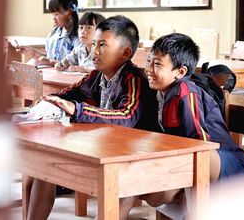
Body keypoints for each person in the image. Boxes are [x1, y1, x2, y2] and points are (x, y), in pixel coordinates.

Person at [25, 15, 160, 220]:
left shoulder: (134, 80)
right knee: (45, 166)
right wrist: (50, 100)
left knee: (120, 186)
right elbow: (69, 94)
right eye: (94, 44)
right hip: (106, 150)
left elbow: (126, 116)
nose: (94, 51)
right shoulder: (97, 76)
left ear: (125, 53)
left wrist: (78, 110)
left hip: (134, 158)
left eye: (102, 45)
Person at [120, 33, 244, 219]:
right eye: (149, 61)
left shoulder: (185, 92)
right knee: (149, 191)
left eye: (157, 64)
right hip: (188, 161)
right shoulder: (158, 93)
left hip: (225, 164)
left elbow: (201, 146)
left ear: (180, 72)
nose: (148, 69)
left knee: (195, 158)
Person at [19, 0, 80, 66]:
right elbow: (49, 59)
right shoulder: (54, 33)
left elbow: (75, 64)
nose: (53, 19)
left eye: (56, 14)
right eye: (52, 15)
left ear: (69, 13)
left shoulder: (79, 36)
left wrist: (50, 62)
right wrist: (33, 53)